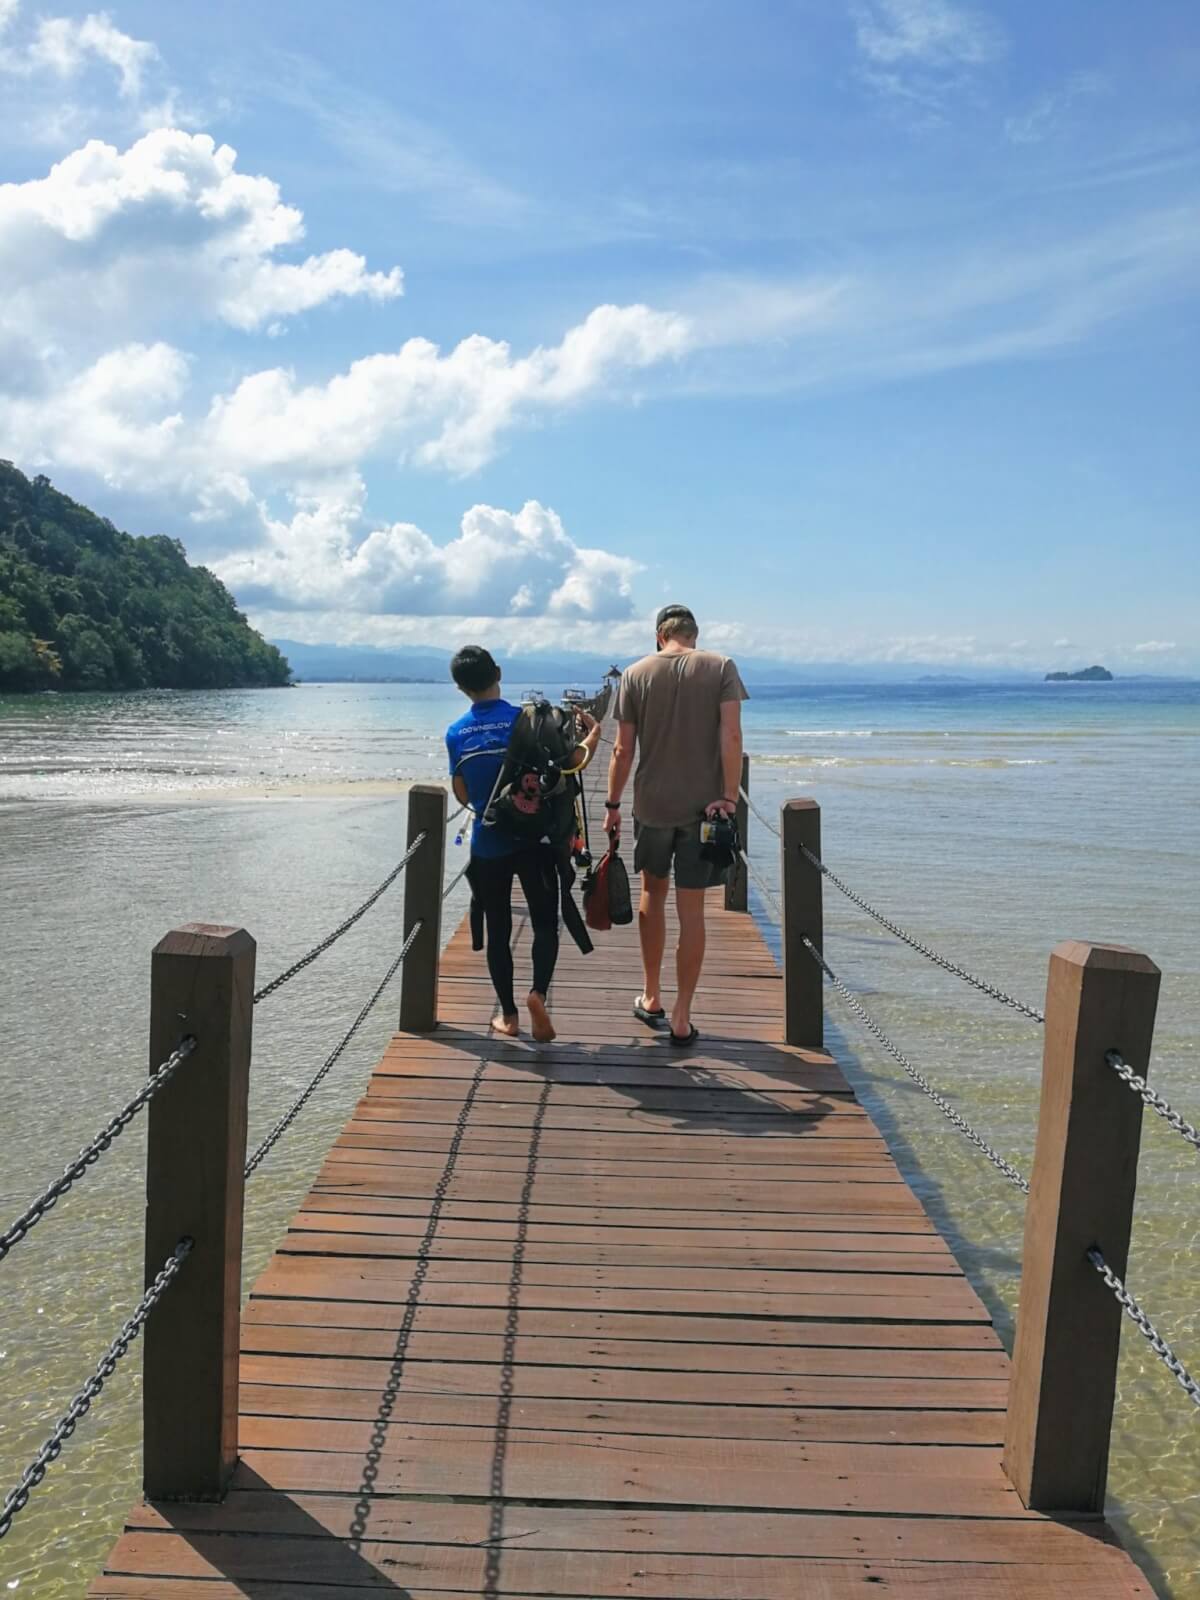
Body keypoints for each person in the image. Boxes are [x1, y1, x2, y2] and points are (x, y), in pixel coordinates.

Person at [604, 605, 747, 1045]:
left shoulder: (635, 674)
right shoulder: (720, 666)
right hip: (705, 809)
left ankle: (651, 996)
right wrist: (728, 794)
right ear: (693, 635)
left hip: (652, 805)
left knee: (653, 892)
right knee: (692, 909)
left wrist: (611, 803)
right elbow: (732, 736)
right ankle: (682, 1016)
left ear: (658, 636)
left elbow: (623, 751)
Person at [446, 646, 600, 1042]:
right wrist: (594, 737)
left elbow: (461, 793)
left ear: (460, 687)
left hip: (488, 841)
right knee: (545, 921)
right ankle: (538, 994)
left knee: (498, 928)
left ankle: (510, 1016)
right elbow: (569, 763)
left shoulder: (456, 732)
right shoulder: (527, 721)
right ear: (498, 672)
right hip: (536, 839)